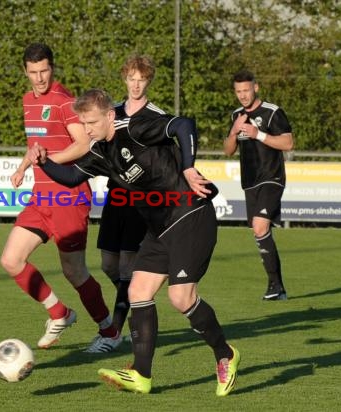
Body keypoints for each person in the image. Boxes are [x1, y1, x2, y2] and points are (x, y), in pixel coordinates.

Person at [29, 88, 240, 396]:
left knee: (181, 298)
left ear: (109, 117)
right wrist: (44, 161)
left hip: (190, 214)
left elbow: (184, 125)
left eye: (91, 122)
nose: (86, 130)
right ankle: (141, 375)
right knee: (138, 290)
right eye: (83, 124)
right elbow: (73, 177)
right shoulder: (101, 151)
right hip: (160, 227)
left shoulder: (135, 128)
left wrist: (188, 166)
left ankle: (226, 354)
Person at [0, 43, 121, 353]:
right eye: (33, 72)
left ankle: (110, 330)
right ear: (25, 72)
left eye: (44, 71)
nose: (39, 78)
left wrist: (48, 161)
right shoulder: (28, 100)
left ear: (52, 69)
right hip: (40, 196)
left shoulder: (65, 102)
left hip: (68, 196)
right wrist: (23, 167)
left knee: (74, 271)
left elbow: (82, 145)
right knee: (11, 260)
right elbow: (36, 146)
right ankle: (59, 313)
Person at [97, 55, 157, 335]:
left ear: (148, 81)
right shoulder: (113, 113)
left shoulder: (156, 116)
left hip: (140, 201)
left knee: (125, 266)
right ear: (125, 79)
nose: (136, 84)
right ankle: (134, 295)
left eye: (141, 79)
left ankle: (115, 332)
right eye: (131, 78)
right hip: (115, 196)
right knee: (108, 264)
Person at [224, 69, 294, 301]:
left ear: (256, 87)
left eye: (246, 90)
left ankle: (276, 286)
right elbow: (228, 150)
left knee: (260, 227)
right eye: (238, 92)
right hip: (250, 182)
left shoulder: (272, 113)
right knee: (260, 232)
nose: (242, 95)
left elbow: (288, 142)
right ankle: (278, 287)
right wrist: (234, 132)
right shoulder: (237, 115)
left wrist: (258, 134)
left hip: (272, 178)